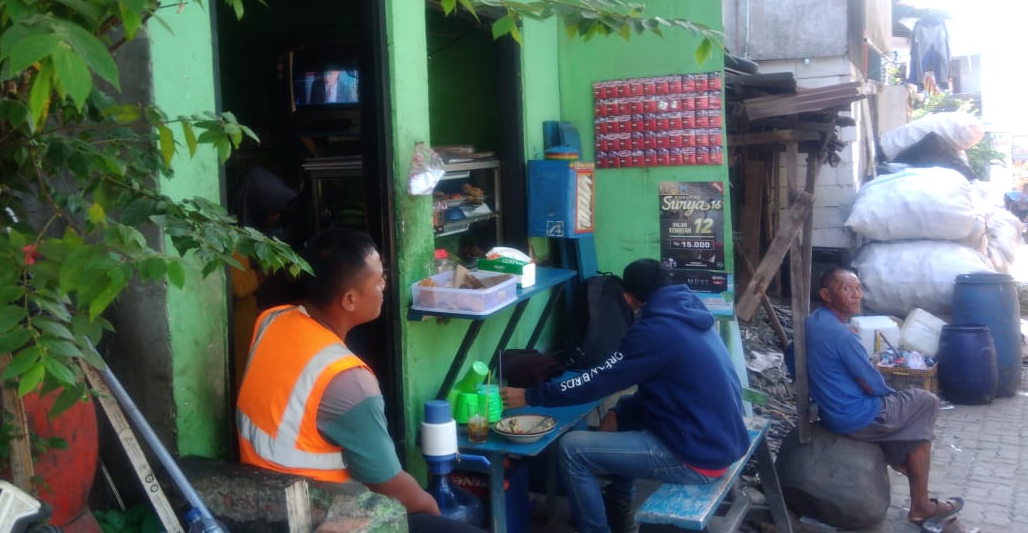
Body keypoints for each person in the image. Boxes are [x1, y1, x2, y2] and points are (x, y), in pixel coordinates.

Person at [236, 228, 483, 533]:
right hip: (320, 515)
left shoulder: (272, 319)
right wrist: (432, 510)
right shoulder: (348, 382)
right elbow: (390, 486)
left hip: (261, 499)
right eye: (378, 279)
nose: (384, 285)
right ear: (349, 299)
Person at [501, 259, 749, 533]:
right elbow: (664, 387)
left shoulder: (654, 330)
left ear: (628, 298)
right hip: (719, 437)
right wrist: (621, 412)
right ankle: (619, 512)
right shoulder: (688, 312)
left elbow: (598, 382)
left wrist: (531, 396)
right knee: (622, 410)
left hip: (697, 455)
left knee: (572, 449)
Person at [806, 268, 964, 527]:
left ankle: (912, 480)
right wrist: (887, 387)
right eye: (847, 289)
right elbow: (873, 386)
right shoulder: (843, 336)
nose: (857, 295)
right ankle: (920, 502)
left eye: (858, 288)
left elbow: (793, 359)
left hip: (833, 411)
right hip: (856, 416)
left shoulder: (813, 322)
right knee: (926, 402)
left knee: (917, 428)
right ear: (826, 294)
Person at [229, 166, 299, 390]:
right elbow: (238, 286)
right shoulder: (234, 240)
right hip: (249, 325)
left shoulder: (272, 234)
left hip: (275, 322)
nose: (276, 217)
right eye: (272, 211)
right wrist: (270, 265)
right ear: (257, 207)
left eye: (280, 212)